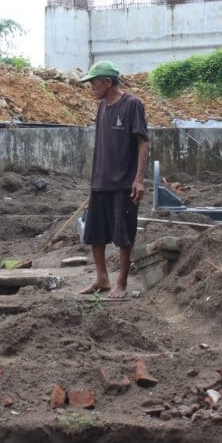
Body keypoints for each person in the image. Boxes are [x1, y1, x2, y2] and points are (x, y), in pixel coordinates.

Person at [78, 60, 148, 299]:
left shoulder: (132, 105)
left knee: (123, 235)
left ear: (108, 82)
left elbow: (143, 142)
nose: (91, 88)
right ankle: (102, 279)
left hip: (123, 183)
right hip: (100, 181)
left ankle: (122, 283)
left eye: (94, 83)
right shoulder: (103, 107)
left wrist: (138, 179)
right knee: (95, 233)